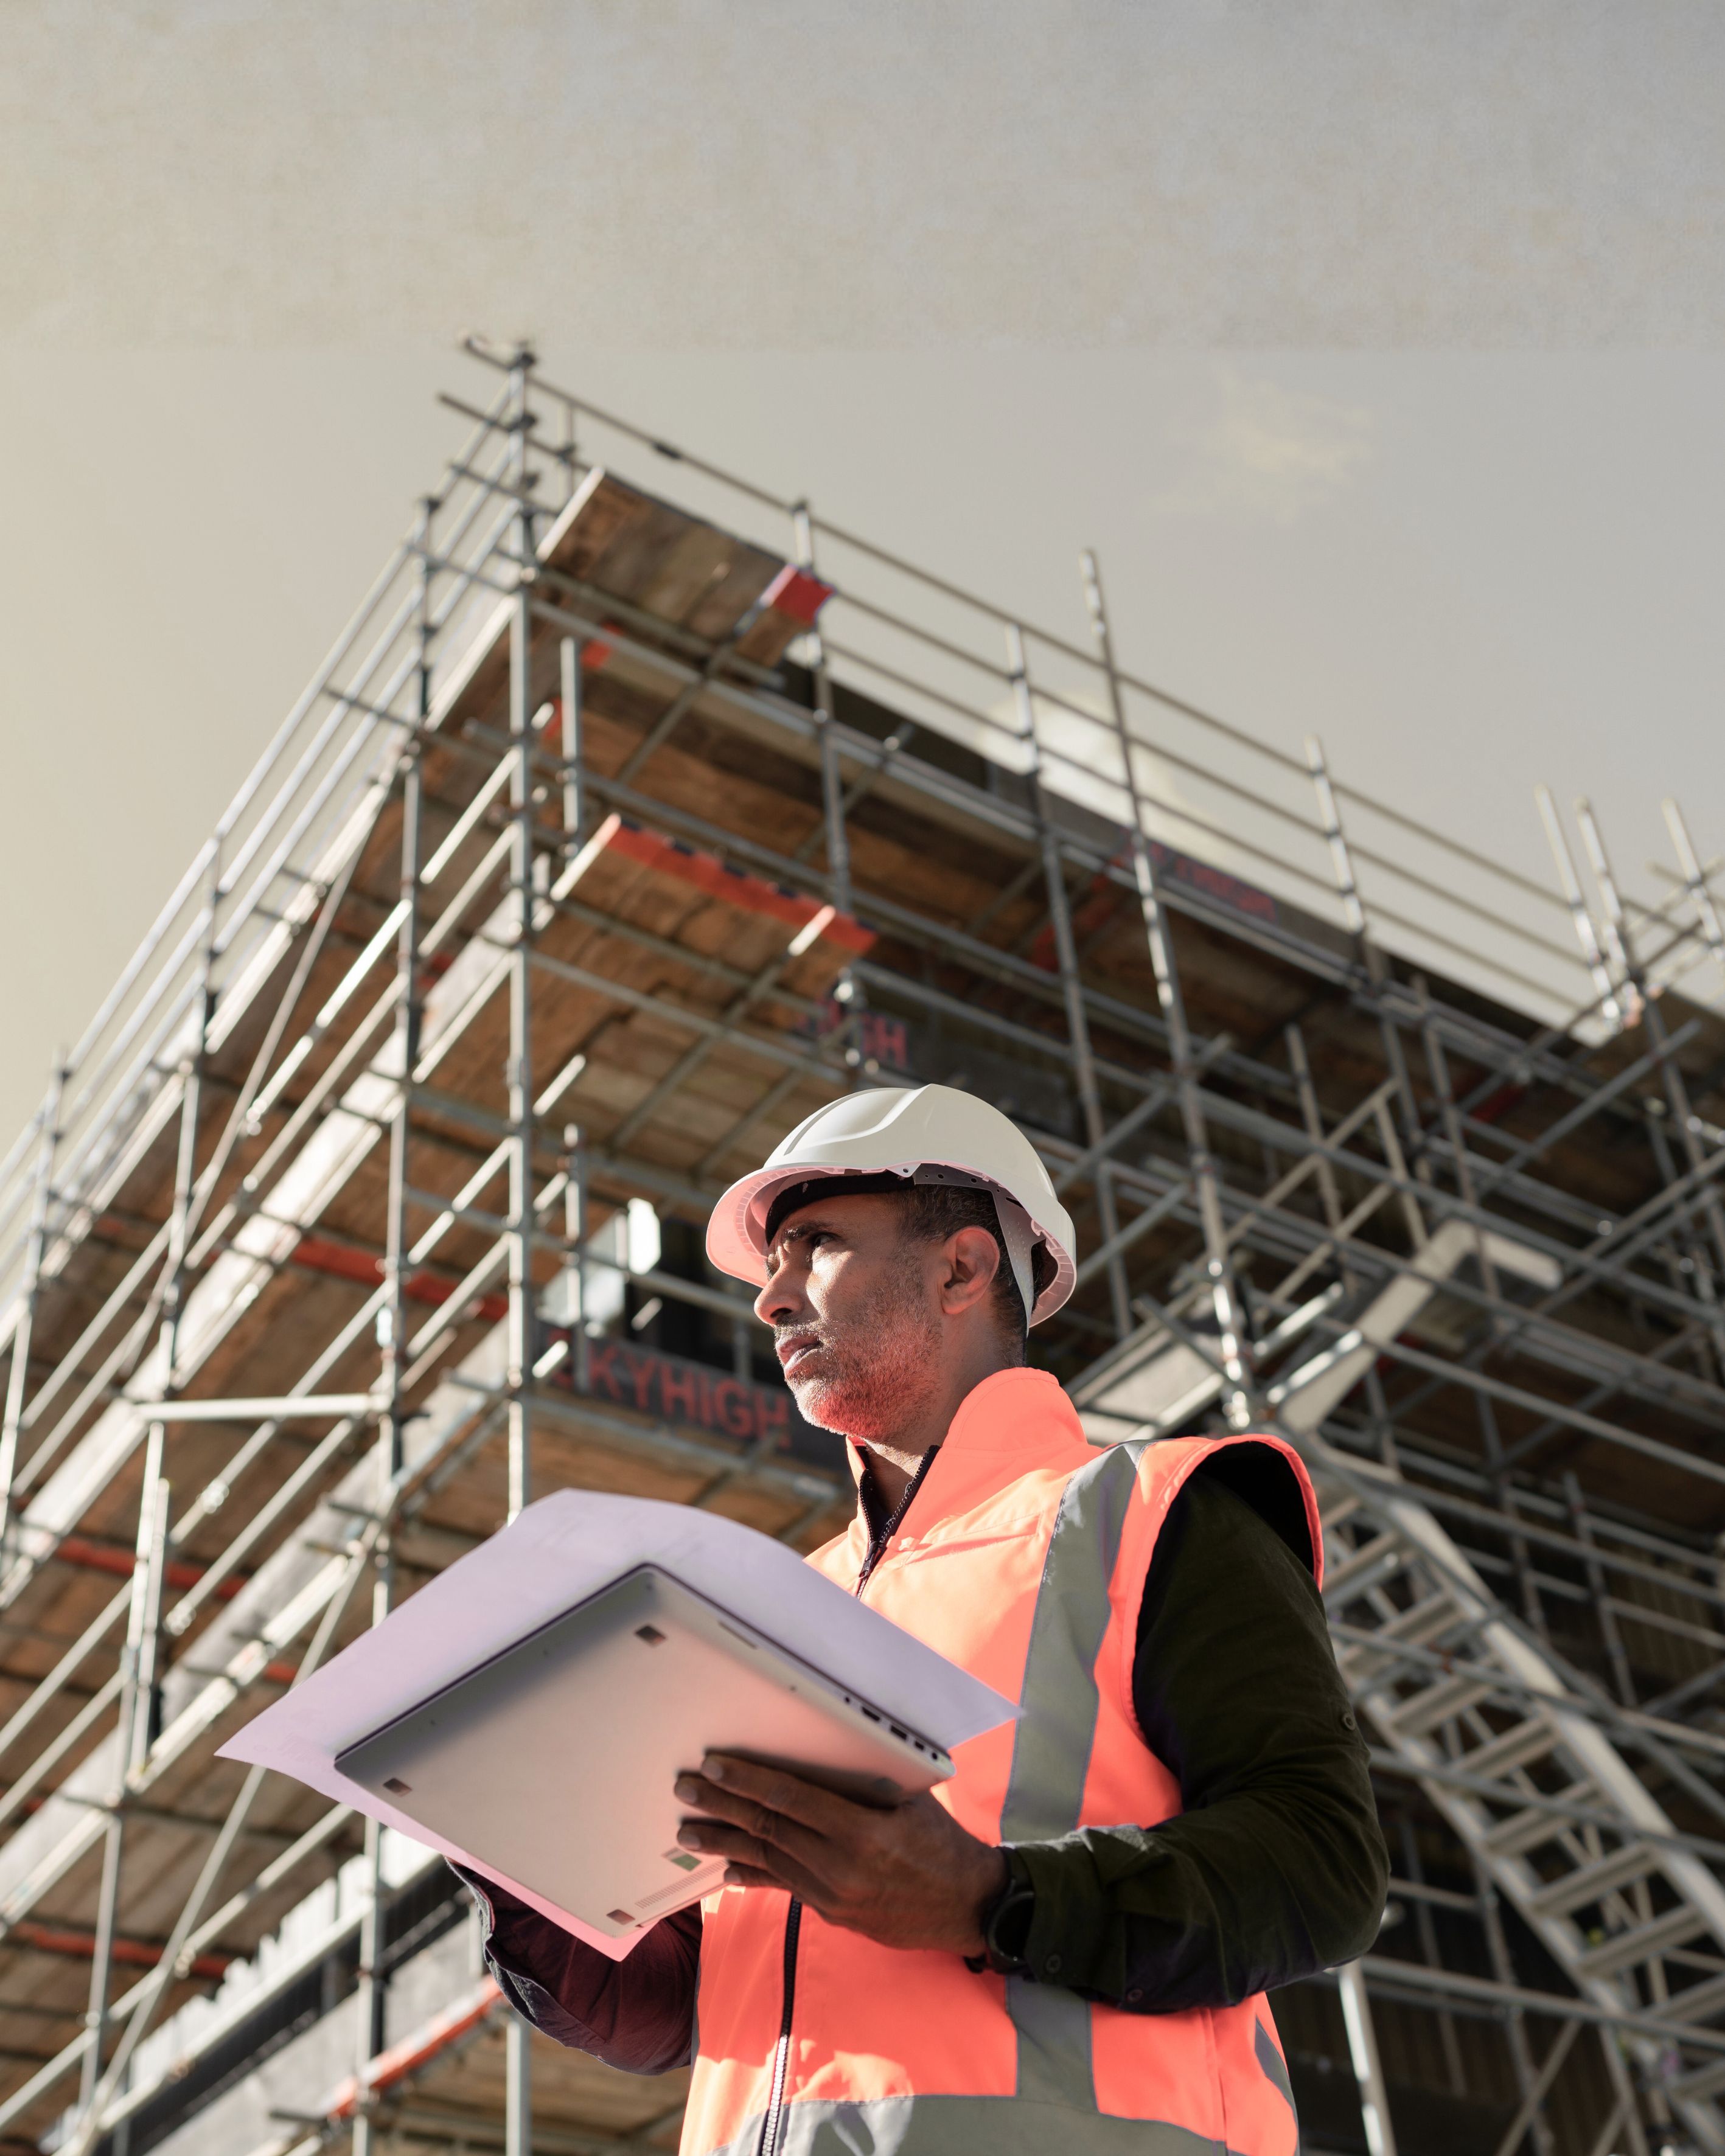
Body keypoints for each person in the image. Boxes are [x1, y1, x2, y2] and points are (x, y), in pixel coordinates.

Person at [459, 1085, 1387, 2155]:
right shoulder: (774, 1607)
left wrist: (992, 1899)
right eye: (774, 1263)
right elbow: (687, 2011)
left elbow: (1323, 1866)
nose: (771, 1298)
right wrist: (520, 1865)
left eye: (812, 1245)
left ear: (961, 1267)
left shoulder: (1151, 1510)